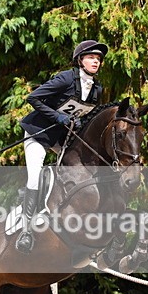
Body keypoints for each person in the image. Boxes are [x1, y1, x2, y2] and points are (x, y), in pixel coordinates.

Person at [15, 39, 109, 253]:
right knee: (34, 177)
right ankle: (26, 230)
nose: (96, 62)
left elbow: (86, 115)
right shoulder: (66, 78)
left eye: (98, 59)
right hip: (38, 132)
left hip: (62, 137)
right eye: (91, 57)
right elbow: (34, 98)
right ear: (80, 60)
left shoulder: (97, 89)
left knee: (81, 170)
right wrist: (57, 116)